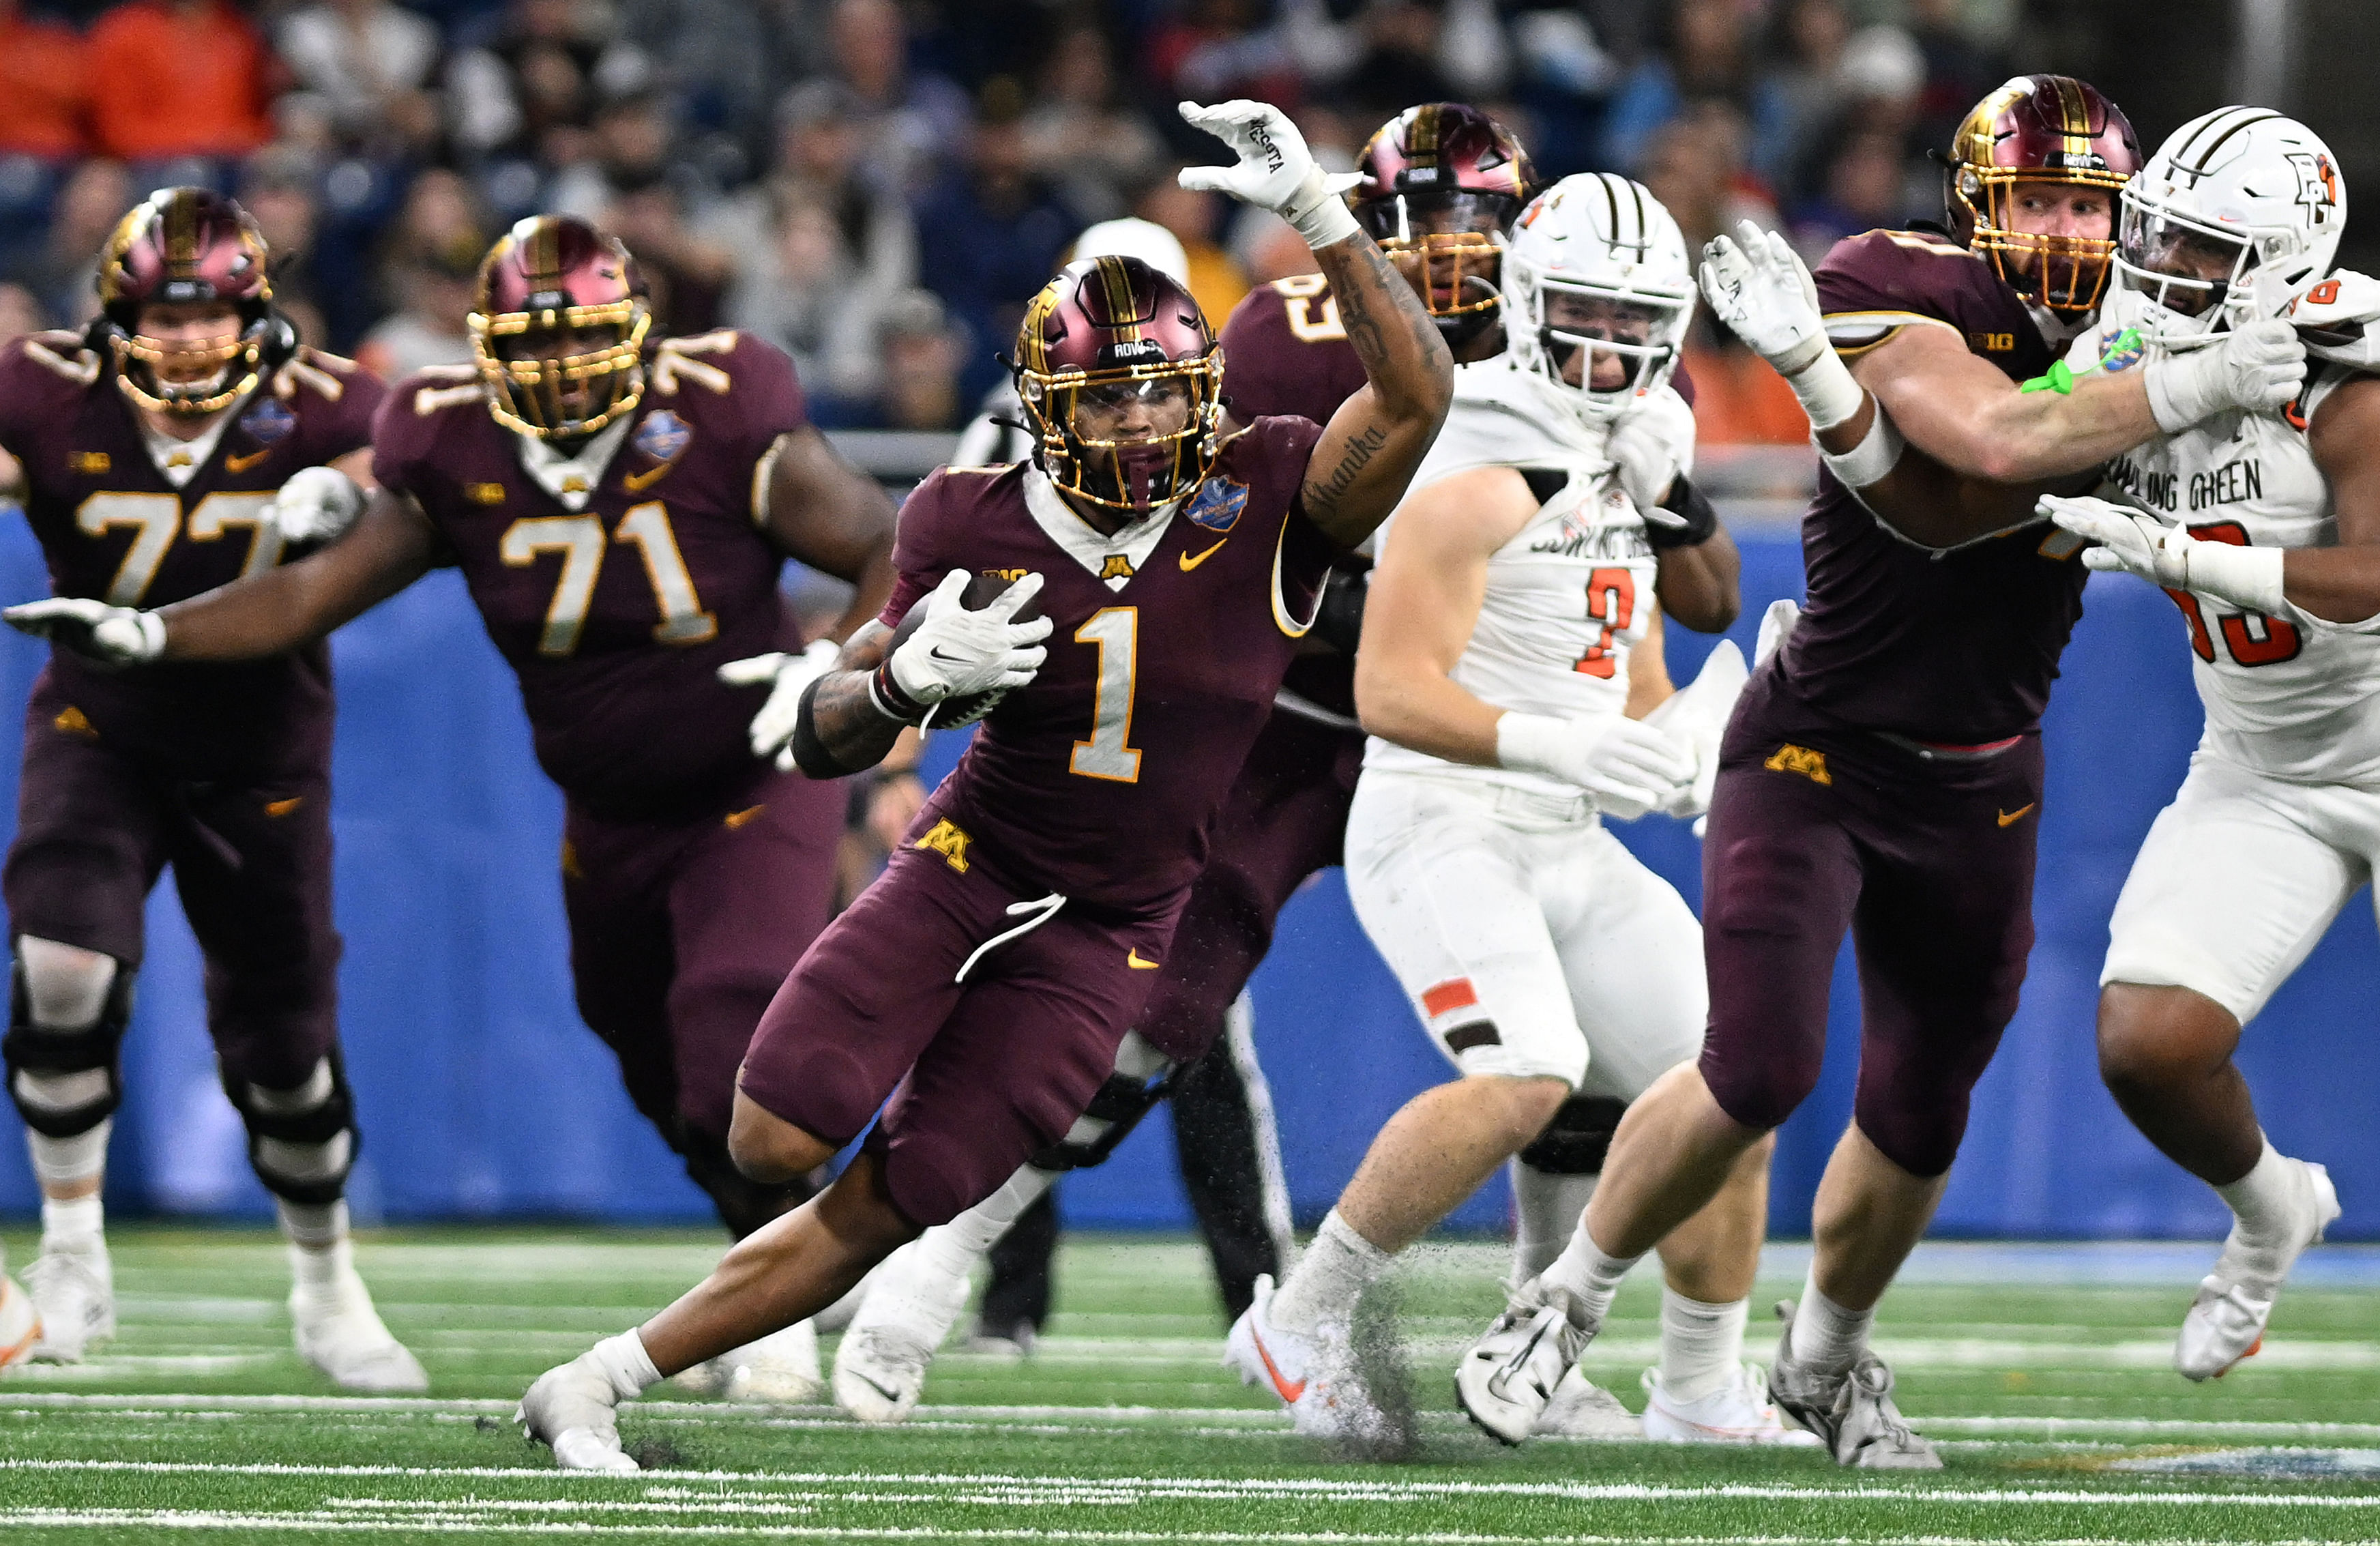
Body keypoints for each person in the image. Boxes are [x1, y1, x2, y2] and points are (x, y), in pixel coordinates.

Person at [499, 95, 1453, 1472]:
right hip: (971, 858)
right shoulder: (965, 517)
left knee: (914, 1189)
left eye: (1159, 390)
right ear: (1046, 408)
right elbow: (823, 735)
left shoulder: (1267, 490)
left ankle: (596, 1377)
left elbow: (1418, 391)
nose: (1138, 421)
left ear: (1205, 393)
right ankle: (701, 1340)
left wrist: (1317, 215)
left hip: (1115, 919)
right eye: (1106, 394)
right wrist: (892, 686)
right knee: (768, 1132)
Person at [1451, 75, 2308, 1470]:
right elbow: (1973, 461)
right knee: (1758, 1060)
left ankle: (1827, 1357)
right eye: (2034, 195)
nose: (2062, 226)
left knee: (1921, 1106)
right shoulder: (1894, 278)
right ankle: (1557, 1304)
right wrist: (2184, 380)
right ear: (1975, 202)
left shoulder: (2156, 325)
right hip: (1820, 744)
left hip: (1984, 769)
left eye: (2088, 202)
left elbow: (2002, 482)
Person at [8, 214, 903, 1402]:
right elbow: (314, 592)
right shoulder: (450, 447)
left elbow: (882, 541)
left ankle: (779, 1295)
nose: (560, 369)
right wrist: (150, 629)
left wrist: (831, 665)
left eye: (583, 339)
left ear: (637, 332)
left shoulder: (722, 406)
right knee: (643, 1050)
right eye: (532, 346)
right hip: (608, 805)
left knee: (723, 1026)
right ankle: (784, 1245)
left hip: (753, 766)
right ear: (484, 352)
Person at [827, 103, 1535, 1426]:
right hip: (1300, 719)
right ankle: (939, 1261)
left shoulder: (1577, 333)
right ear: (1366, 222)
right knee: (1147, 1021)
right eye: (1423, 218)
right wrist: (1381, 595)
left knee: (1580, 1038)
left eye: (1477, 218)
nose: (1451, 246)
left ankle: (1591, 1336)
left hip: (1489, 734)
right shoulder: (1287, 330)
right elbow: (1204, 541)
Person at [1236, 170, 1793, 1446]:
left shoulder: (1646, 430)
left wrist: (1679, 740)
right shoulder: (1467, 429)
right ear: (1529, 303)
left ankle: (1700, 1389)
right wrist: (1571, 748)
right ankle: (1300, 1313)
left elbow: (1630, 642)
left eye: (1631, 318)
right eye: (1582, 312)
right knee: (1527, 1070)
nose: (1607, 347)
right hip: (1442, 815)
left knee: (1735, 1079)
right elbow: (1385, 687)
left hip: (1562, 828)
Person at [0, 188, 415, 1386]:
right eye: (157, 317)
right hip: (98, 722)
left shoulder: (327, 401)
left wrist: (345, 493)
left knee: (284, 1047)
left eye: (208, 316)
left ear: (257, 315)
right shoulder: (41, 390)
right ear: (112, 315)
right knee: (62, 966)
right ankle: (72, 1248)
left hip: (261, 749)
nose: (183, 341)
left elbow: (400, 469)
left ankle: (328, 1284)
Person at [2035, 107, 2359, 1382]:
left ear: (2287, 260)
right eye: (2156, 231)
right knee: (2149, 1045)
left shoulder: (2347, 360)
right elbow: (2011, 470)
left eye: (2204, 247)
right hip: (2265, 768)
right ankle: (2271, 1203)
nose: (2160, 266)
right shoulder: (2128, 345)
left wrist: (2177, 554)